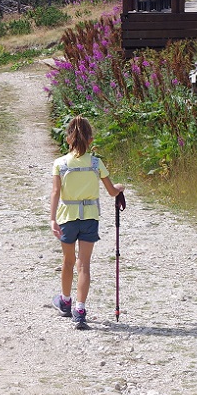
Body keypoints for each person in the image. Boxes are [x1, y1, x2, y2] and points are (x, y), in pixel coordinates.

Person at [50, 116, 124, 329]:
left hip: (67, 218)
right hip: (90, 217)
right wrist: (119, 187)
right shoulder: (95, 163)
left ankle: (65, 300)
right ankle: (80, 309)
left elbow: (56, 192)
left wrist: (52, 219)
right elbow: (111, 192)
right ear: (91, 140)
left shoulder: (60, 164)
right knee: (84, 265)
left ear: (68, 140)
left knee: (68, 261)